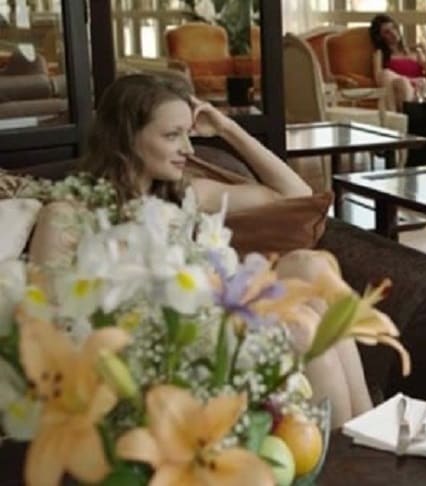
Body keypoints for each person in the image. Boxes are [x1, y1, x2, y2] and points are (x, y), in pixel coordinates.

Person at [27, 74, 375, 423]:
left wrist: (227, 129)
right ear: (126, 137)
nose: (189, 150)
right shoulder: (68, 214)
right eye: (172, 135)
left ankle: (369, 428)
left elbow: (297, 196)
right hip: (154, 346)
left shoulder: (186, 193)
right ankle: (351, 446)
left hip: (209, 319)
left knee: (311, 267)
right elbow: (45, 324)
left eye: (187, 134)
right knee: (305, 325)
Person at [369, 14, 426, 110]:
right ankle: (396, 114)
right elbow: (378, 79)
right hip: (397, 94)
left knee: (392, 77)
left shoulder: (414, 52)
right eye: (387, 32)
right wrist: (410, 81)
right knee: (392, 78)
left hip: (418, 94)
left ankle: (393, 116)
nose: (393, 33)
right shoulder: (380, 54)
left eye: (394, 28)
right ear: (380, 37)